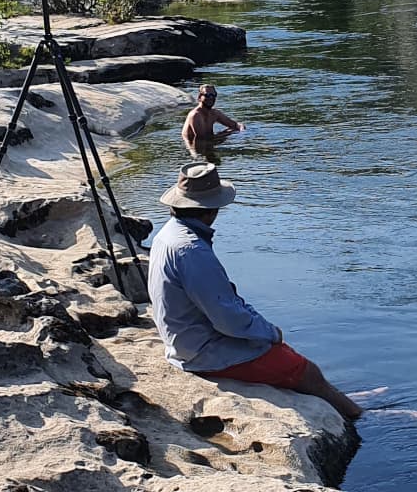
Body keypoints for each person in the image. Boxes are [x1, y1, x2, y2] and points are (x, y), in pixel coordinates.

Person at [147, 161, 363, 420]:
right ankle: (362, 414)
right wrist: (270, 332)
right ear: (211, 209)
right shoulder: (192, 250)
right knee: (306, 371)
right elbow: (227, 318)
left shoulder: (169, 234)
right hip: (203, 352)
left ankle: (330, 394)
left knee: (289, 359)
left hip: (184, 342)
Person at [181, 84, 244, 154]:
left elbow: (235, 124)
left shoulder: (214, 113)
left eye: (214, 95)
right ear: (199, 97)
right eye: (207, 95)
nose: (211, 98)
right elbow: (202, 139)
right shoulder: (195, 115)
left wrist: (242, 132)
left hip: (209, 146)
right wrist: (227, 134)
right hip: (197, 150)